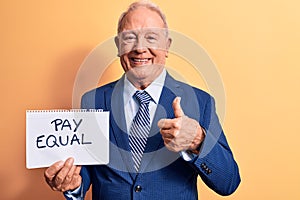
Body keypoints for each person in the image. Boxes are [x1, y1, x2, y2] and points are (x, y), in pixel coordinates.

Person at [44, 1, 241, 199]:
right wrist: (74, 184)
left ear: (167, 46)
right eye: (129, 38)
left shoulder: (200, 102)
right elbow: (84, 173)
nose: (140, 48)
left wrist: (198, 140)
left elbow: (229, 182)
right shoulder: (92, 101)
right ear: (118, 45)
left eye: (151, 37)